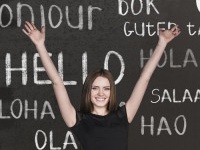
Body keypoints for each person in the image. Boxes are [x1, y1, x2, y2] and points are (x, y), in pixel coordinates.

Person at [22, 21, 180, 150]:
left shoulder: (123, 116)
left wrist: (162, 43)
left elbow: (144, 78)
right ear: (88, 91)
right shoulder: (77, 120)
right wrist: (40, 45)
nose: (100, 93)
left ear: (111, 92)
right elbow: (57, 82)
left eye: (106, 88)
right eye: (95, 88)